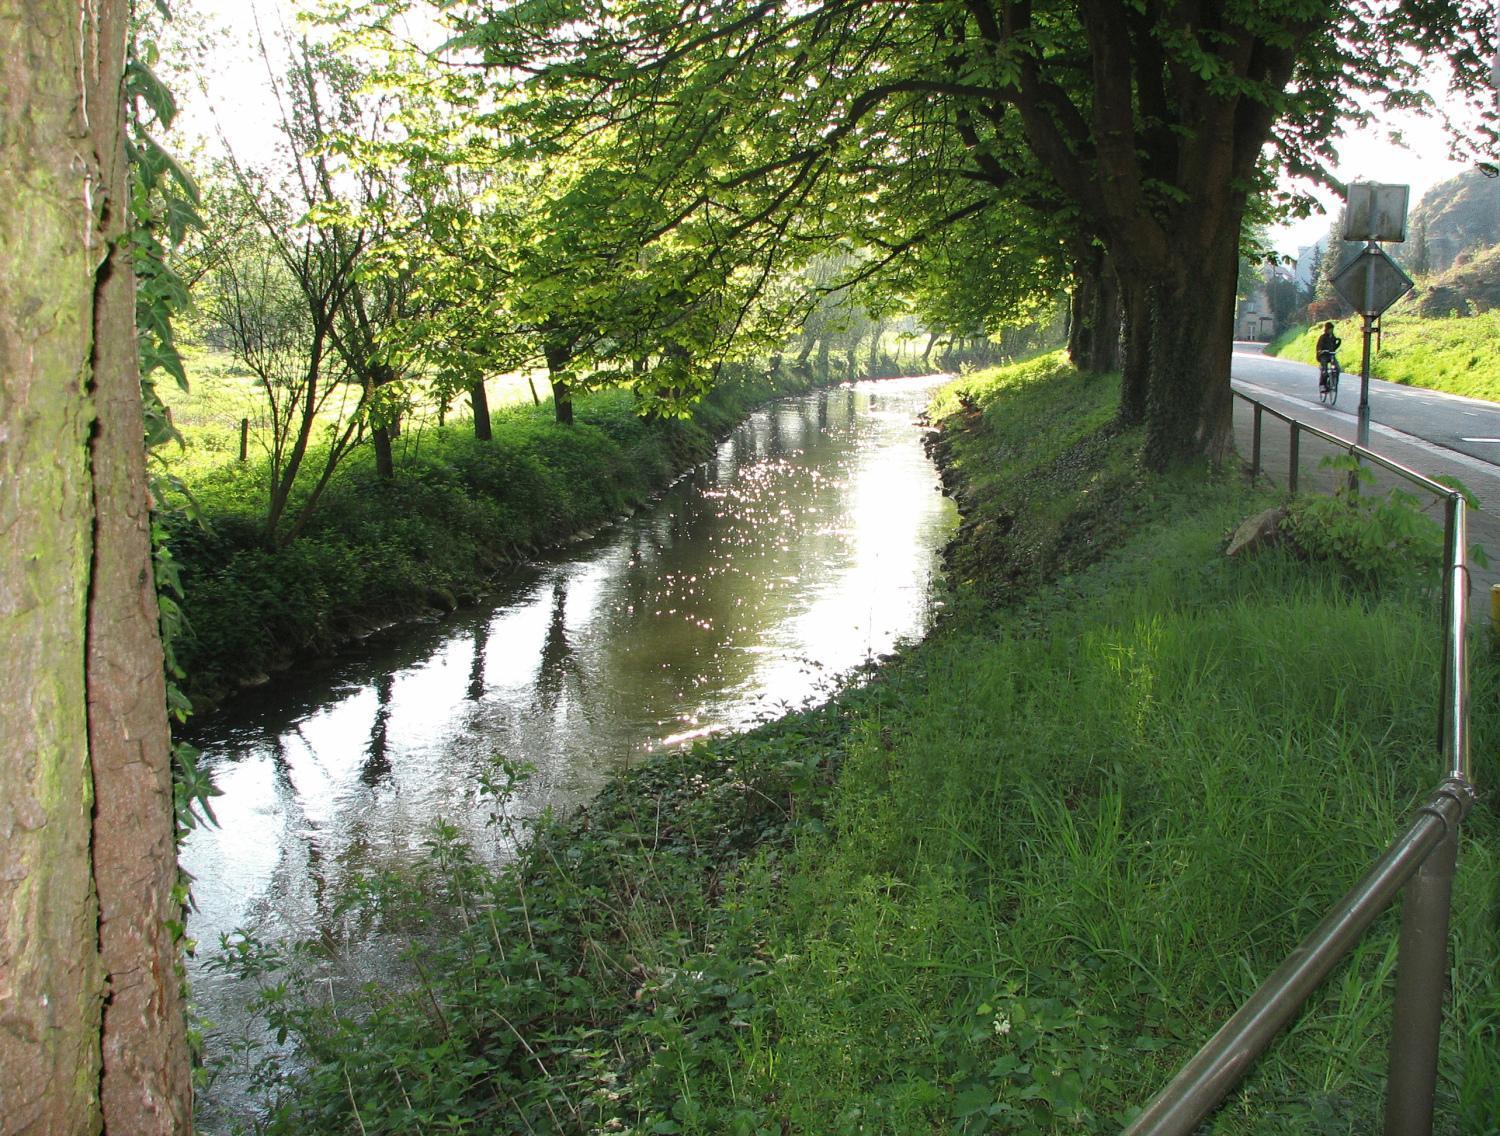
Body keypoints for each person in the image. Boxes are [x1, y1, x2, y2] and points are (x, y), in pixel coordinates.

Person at [1315, 322, 1341, 392]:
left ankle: (1333, 383)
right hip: (1323, 356)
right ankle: (1323, 385)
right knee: (1325, 371)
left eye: (1332, 329)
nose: (1331, 331)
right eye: (1330, 329)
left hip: (1330, 355)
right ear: (1327, 329)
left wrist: (1338, 342)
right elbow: (1318, 347)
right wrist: (1321, 351)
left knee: (1337, 369)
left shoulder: (1332, 337)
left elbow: (1334, 347)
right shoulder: (1322, 337)